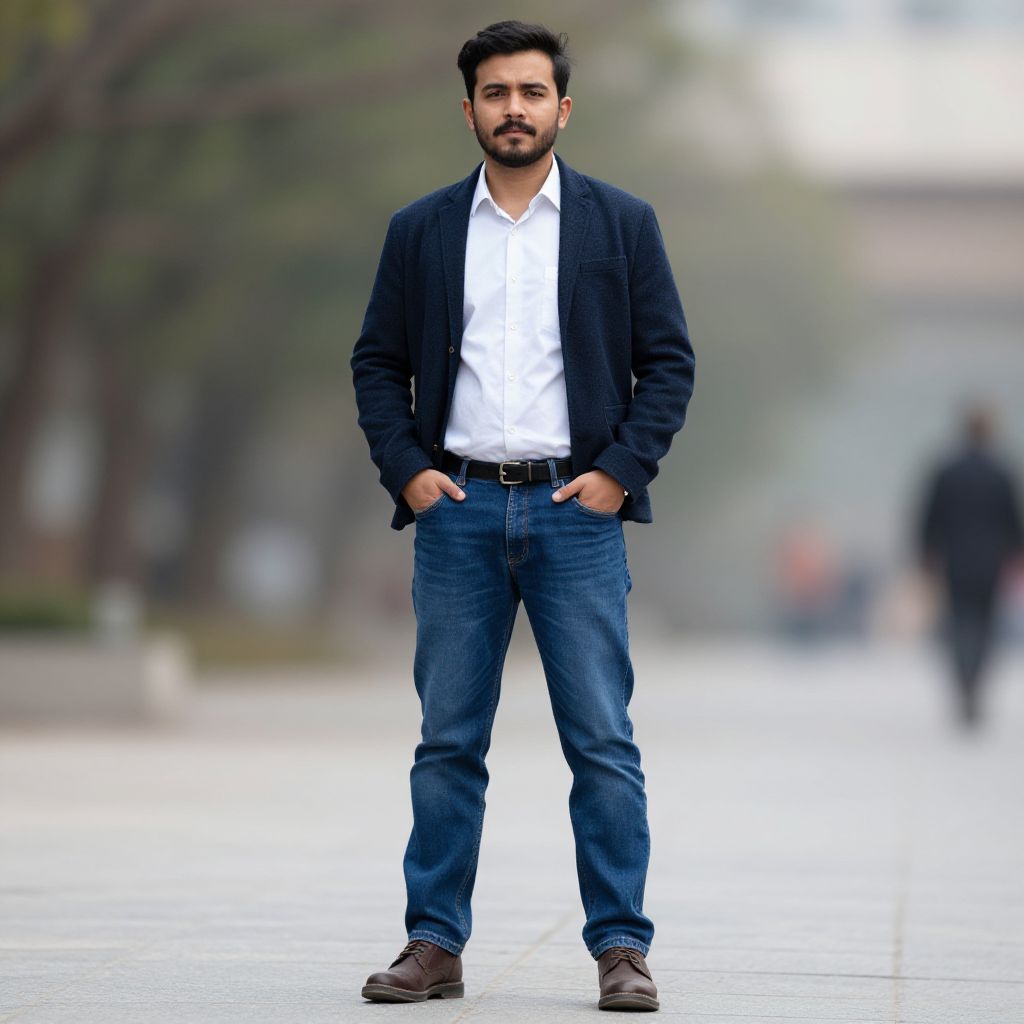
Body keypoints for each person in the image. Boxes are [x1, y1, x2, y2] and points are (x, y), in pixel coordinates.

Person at [351, 20, 695, 1011]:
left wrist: (620, 472)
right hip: (455, 508)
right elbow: (377, 361)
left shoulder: (617, 224)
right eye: (495, 93)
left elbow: (667, 361)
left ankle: (621, 949)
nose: (513, 109)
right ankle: (433, 944)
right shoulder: (420, 229)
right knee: (448, 740)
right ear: (468, 110)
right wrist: (408, 471)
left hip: (574, 512)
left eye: (530, 92)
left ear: (562, 108)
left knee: (600, 739)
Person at [917, 404, 1023, 728]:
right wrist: (1016, 554)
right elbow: (1013, 520)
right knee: (986, 627)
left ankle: (964, 680)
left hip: (954, 561)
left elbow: (929, 517)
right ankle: (974, 681)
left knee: (958, 623)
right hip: (990, 562)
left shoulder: (946, 471)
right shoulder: (1001, 472)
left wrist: (926, 553)